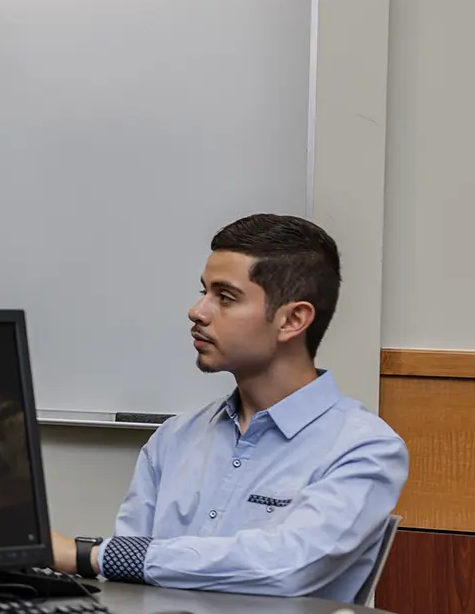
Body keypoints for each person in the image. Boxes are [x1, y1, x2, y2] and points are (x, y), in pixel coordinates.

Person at [50, 213, 408, 601]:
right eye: (203, 291)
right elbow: (128, 583)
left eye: (225, 297)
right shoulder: (173, 439)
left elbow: (289, 567)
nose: (197, 311)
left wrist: (85, 555)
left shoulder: (365, 449)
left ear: (292, 320)